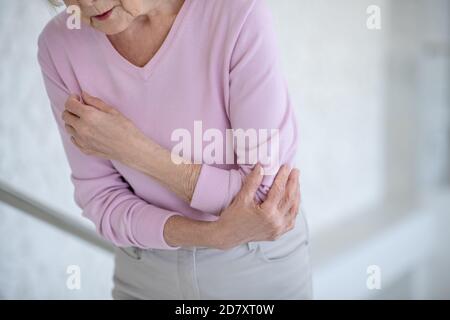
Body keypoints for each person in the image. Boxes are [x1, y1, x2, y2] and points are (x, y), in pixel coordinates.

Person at [39, 0, 312, 299]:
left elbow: (263, 197)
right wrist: (210, 235)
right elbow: (101, 200)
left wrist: (134, 150)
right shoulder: (61, 44)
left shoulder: (237, 13)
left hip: (256, 260)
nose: (87, 3)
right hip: (144, 269)